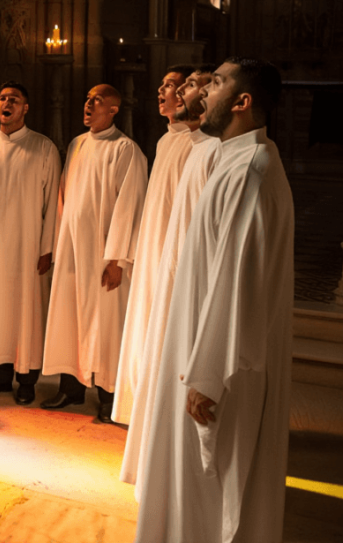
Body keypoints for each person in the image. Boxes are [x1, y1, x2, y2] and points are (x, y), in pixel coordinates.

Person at [135, 57, 293, 543]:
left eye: (217, 83)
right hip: (195, 345)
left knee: (207, 488)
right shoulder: (234, 158)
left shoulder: (249, 169)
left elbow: (237, 281)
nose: (201, 92)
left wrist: (206, 375)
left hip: (214, 365)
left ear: (242, 103)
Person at [120, 65, 220, 490]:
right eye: (164, 86)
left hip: (176, 260)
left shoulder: (205, 147)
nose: (170, 92)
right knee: (148, 341)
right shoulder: (167, 141)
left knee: (165, 345)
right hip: (155, 256)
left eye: (180, 85)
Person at [41, 84, 148, 421]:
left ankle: (109, 396)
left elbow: (130, 206)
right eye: (86, 99)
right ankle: (70, 389)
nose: (87, 104)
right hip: (73, 250)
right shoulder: (76, 145)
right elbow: (63, 198)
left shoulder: (126, 150)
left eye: (96, 101)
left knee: (106, 325)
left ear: (114, 109)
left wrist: (118, 260)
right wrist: (58, 243)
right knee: (70, 319)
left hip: (104, 256)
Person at [110, 65, 199, 427]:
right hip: (152, 248)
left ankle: (161, 413)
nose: (162, 91)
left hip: (171, 250)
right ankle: (141, 407)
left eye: (172, 85)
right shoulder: (165, 140)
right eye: (161, 85)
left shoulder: (195, 144)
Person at [0, 82, 61, 404]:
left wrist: (48, 247)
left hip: (29, 249)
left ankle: (27, 381)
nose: (7, 103)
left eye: (14, 100)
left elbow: (53, 205)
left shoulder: (43, 148)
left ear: (25, 108)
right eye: (2, 98)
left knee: (26, 315)